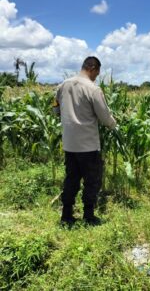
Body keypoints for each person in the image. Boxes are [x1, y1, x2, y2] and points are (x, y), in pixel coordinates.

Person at [53, 56, 116, 225]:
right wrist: (113, 123)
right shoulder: (93, 89)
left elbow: (55, 110)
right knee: (92, 180)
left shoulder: (62, 86)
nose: (96, 76)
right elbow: (104, 118)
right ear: (93, 68)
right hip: (87, 145)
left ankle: (66, 215)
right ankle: (88, 216)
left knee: (71, 178)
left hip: (69, 143)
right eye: (97, 73)